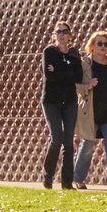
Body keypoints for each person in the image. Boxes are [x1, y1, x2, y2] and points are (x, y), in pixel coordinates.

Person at [73, 31, 107, 191]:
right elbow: (74, 86)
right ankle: (77, 179)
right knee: (87, 145)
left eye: (105, 44)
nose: (103, 47)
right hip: (91, 112)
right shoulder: (84, 64)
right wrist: (87, 85)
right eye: (99, 43)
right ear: (92, 46)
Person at [40, 21, 85, 189]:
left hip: (70, 101)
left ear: (70, 35)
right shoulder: (49, 52)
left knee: (68, 141)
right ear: (54, 35)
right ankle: (48, 175)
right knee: (56, 138)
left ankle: (66, 183)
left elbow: (78, 77)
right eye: (58, 31)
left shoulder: (74, 54)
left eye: (65, 31)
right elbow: (49, 76)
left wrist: (58, 70)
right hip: (51, 101)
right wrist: (67, 72)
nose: (61, 34)